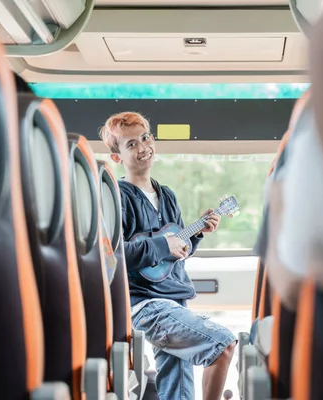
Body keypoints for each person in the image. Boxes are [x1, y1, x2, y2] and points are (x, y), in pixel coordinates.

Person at [99, 111, 237, 400]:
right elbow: (114, 254)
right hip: (145, 304)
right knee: (223, 344)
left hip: (175, 300)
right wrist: (163, 245)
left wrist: (196, 234)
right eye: (131, 144)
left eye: (146, 138)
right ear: (117, 158)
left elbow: (175, 253)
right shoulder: (117, 197)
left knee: (178, 387)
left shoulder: (168, 195)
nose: (143, 147)